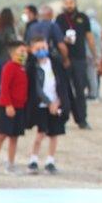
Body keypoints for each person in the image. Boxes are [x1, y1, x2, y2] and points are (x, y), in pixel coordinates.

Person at [24, 35, 69, 175]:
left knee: (54, 134)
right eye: (38, 48)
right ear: (32, 50)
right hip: (42, 105)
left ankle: (50, 160)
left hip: (57, 103)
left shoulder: (55, 63)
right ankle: (33, 159)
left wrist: (58, 102)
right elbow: (36, 89)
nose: (41, 50)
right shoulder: (33, 67)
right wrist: (49, 103)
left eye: (43, 47)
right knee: (40, 133)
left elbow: (62, 84)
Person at [0, 40, 28, 175]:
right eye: (21, 51)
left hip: (19, 107)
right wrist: (8, 105)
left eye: (25, 51)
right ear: (12, 53)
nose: (24, 54)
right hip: (8, 106)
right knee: (1, 135)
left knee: (14, 137)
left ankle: (10, 164)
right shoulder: (9, 67)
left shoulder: (22, 68)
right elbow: (4, 88)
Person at [54, 0, 94, 129]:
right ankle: (61, 119)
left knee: (79, 90)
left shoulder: (83, 18)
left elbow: (89, 37)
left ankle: (82, 119)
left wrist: (95, 55)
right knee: (63, 90)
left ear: (75, 3)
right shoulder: (59, 19)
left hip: (79, 58)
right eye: (67, 2)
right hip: (64, 59)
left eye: (71, 2)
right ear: (63, 3)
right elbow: (56, 38)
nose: (69, 5)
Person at [0, 7, 18, 94]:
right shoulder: (9, 28)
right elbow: (12, 42)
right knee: (7, 79)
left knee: (0, 78)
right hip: (7, 57)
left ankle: (0, 95)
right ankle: (5, 96)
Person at [86, 8, 102, 99]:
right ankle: (94, 92)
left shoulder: (89, 25)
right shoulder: (98, 25)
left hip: (89, 52)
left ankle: (93, 94)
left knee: (91, 74)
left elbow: (90, 41)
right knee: (93, 74)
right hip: (97, 51)